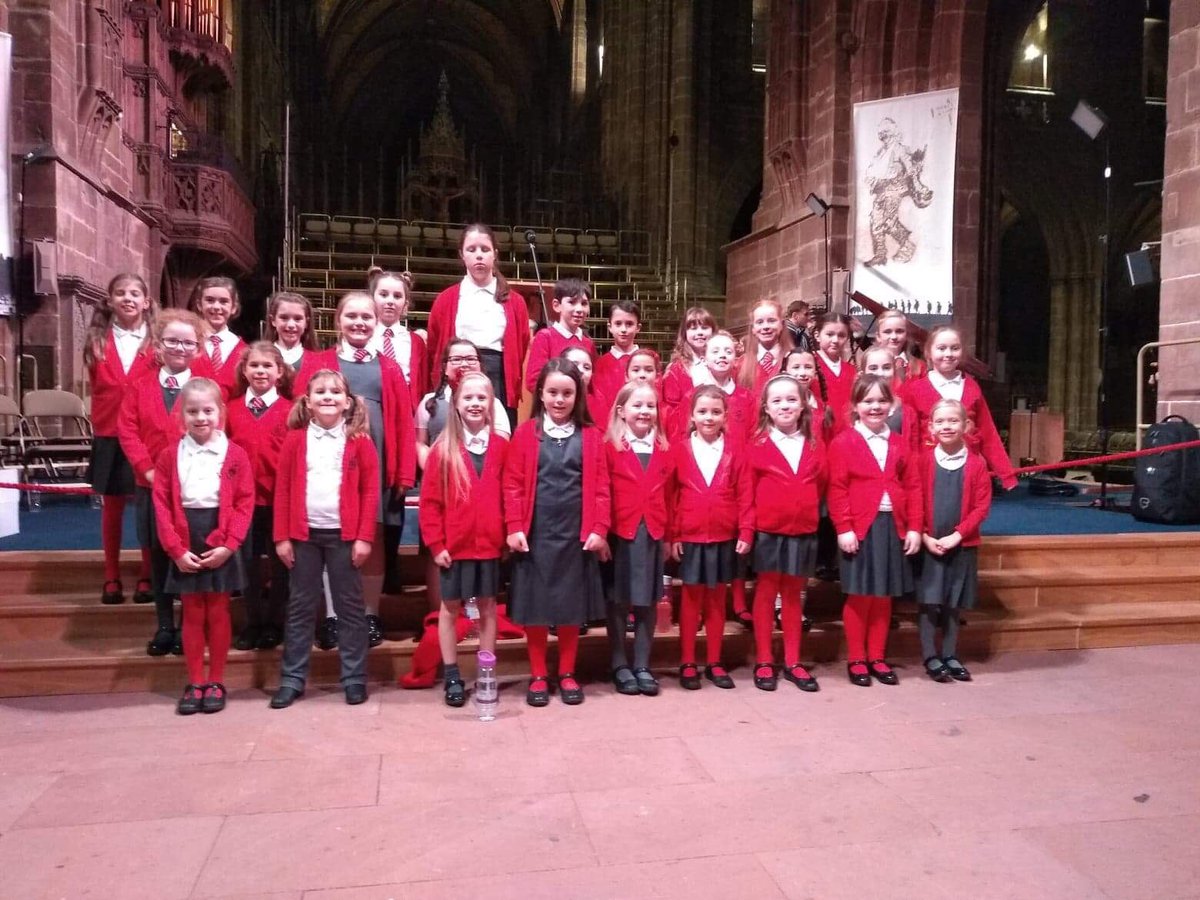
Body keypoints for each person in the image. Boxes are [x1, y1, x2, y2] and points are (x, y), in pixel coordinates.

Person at [503, 358, 609, 707]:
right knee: (535, 608)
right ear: (541, 394)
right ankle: (537, 674)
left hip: (576, 537)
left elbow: (602, 488)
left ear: (577, 395)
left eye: (567, 393)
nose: (560, 400)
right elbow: (513, 485)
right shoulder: (525, 433)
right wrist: (514, 526)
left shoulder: (592, 436)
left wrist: (599, 528)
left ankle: (566, 672)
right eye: (553, 393)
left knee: (569, 609)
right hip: (535, 535)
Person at [270, 369, 379, 708]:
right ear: (308, 401)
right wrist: (281, 537)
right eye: (320, 392)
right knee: (301, 607)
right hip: (303, 536)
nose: (328, 396)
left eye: (335, 392)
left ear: (348, 402)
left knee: (349, 608)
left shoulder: (359, 440)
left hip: (345, 537)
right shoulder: (295, 440)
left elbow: (370, 490)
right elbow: (283, 490)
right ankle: (292, 678)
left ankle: (354, 678)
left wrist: (364, 537)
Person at [153, 377, 253, 714]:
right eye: (192, 411)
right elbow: (163, 505)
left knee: (219, 610)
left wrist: (230, 545)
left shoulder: (235, 455)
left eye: (207, 410)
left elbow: (244, 502)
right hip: (185, 537)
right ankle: (195, 681)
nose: (200, 418)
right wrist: (175, 549)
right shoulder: (169, 456)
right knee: (193, 612)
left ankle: (217, 680)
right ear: (181, 415)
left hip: (221, 536)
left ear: (220, 413)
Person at [322, 292, 417, 645]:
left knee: (373, 539)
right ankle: (333, 617)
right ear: (338, 319)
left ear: (376, 321)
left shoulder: (388, 367)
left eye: (367, 316)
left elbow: (404, 423)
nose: (359, 323)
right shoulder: (323, 361)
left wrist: (404, 473)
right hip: (330, 466)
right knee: (333, 540)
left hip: (377, 467)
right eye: (352, 316)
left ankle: (370, 615)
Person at [118, 309, 207, 656]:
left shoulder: (203, 388)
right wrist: (147, 468)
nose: (180, 348)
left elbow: (214, 430)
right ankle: (165, 625)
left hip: (192, 487)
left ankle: (188, 626)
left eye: (188, 342)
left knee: (187, 556)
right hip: (151, 487)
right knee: (158, 556)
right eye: (172, 341)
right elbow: (127, 429)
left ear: (198, 348)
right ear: (157, 344)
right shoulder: (140, 386)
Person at [420, 372, 508, 707]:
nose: (474, 403)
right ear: (456, 404)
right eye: (468, 398)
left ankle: (486, 671)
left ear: (491, 406)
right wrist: (437, 544)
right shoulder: (443, 450)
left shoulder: (501, 447)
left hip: (488, 545)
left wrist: (505, 534)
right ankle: (452, 673)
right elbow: (429, 503)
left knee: (487, 607)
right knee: (450, 608)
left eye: (481, 398)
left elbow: (508, 494)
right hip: (453, 548)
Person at [828, 375, 922, 687]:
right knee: (860, 595)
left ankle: (877, 657)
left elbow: (913, 486)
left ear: (892, 405)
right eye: (868, 401)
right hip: (860, 527)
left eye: (882, 401)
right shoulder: (843, 442)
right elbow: (837, 488)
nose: (875, 406)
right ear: (855, 406)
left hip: (891, 525)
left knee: (883, 595)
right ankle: (856, 658)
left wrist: (914, 528)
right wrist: (844, 528)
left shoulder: (898, 442)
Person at [746, 375, 826, 692]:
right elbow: (748, 493)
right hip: (768, 531)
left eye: (791, 399)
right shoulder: (756, 445)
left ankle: (793, 661)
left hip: (802, 530)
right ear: (766, 407)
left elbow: (820, 485)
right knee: (766, 594)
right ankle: (765, 660)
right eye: (777, 400)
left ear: (804, 403)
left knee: (793, 596)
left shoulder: (816, 444)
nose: (785, 405)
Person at [670, 386, 752, 690]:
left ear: (725, 416)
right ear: (692, 415)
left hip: (723, 535)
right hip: (690, 535)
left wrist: (745, 530)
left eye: (716, 412)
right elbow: (672, 495)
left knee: (717, 601)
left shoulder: (735, 449)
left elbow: (745, 492)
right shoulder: (679, 449)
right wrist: (674, 533)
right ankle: (688, 661)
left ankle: (715, 661)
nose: (709, 417)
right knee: (691, 601)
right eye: (703, 411)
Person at [85, 273, 157, 606]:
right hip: (110, 431)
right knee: (112, 507)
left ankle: (147, 572)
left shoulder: (156, 340)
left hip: (147, 433)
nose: (128, 298)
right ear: (110, 300)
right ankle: (111, 574)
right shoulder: (97, 340)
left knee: (147, 507)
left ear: (146, 301)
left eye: (134, 293)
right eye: (120, 293)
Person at [603, 382, 672, 697]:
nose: (645, 411)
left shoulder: (665, 449)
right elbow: (602, 492)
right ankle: (619, 663)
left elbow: (671, 495)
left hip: (653, 532)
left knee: (647, 601)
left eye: (650, 406)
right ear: (621, 411)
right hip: (621, 533)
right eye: (637, 405)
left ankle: (643, 664)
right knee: (619, 601)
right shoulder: (610, 447)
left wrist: (670, 535)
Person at [916, 398, 992, 683]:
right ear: (931, 427)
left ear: (966, 425)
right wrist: (924, 535)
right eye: (940, 422)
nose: (946, 426)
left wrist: (957, 535)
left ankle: (949, 653)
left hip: (961, 544)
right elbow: (915, 500)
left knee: (952, 602)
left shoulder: (976, 464)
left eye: (953, 421)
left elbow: (981, 506)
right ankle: (929, 655)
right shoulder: (922, 462)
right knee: (929, 601)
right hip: (929, 543)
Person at [427, 224, 531, 427]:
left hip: (498, 374)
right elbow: (434, 345)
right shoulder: (446, 299)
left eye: (485, 249)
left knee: (498, 433)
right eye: (471, 249)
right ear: (462, 255)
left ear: (495, 254)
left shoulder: (515, 302)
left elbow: (522, 341)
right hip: (458, 370)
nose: (479, 255)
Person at [225, 341, 294, 651]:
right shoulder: (231, 409)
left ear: (280, 372)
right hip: (242, 504)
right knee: (248, 564)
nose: (260, 371)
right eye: (254, 365)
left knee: (281, 565)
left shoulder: (292, 412)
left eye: (268, 365)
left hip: (279, 502)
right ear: (244, 370)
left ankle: (275, 623)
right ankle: (253, 621)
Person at [901, 324, 1018, 489]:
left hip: (967, 469)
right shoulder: (913, 390)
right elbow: (907, 435)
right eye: (941, 348)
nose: (948, 354)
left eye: (954, 348)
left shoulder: (971, 387)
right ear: (928, 352)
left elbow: (987, 431)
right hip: (927, 472)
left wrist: (1006, 473)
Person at [523, 278, 597, 393]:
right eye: (572, 302)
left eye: (584, 303)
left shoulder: (588, 343)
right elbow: (534, 381)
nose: (579, 309)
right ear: (557, 305)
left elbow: (592, 385)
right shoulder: (545, 337)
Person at [368, 267, 428, 400]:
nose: (390, 301)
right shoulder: (363, 338)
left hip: (405, 406)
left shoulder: (416, 342)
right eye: (383, 295)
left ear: (405, 304)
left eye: (397, 296)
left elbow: (423, 384)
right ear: (372, 299)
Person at [190, 276, 246, 399]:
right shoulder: (187, 344)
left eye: (223, 301)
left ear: (233, 307)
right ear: (199, 305)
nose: (216, 307)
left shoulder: (244, 351)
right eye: (210, 300)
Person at [661, 307, 717, 427]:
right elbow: (671, 412)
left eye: (704, 328)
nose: (700, 332)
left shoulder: (722, 364)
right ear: (685, 334)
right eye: (693, 328)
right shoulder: (676, 370)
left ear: (713, 331)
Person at [266, 291, 324, 390]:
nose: (291, 325)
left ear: (307, 322)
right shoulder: (259, 358)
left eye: (298, 319)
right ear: (273, 320)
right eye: (284, 318)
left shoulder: (319, 362)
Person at [812, 312, 857, 441]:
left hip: (846, 437)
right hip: (819, 434)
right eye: (830, 334)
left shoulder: (851, 370)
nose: (835, 340)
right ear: (817, 335)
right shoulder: (808, 365)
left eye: (841, 335)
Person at [737, 299, 792, 395]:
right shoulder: (740, 365)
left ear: (782, 324)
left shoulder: (793, 360)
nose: (765, 326)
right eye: (759, 322)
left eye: (771, 320)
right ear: (753, 328)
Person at [592, 299, 642, 404]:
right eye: (618, 324)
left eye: (629, 324)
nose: (623, 329)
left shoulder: (647, 361)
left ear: (638, 327)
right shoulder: (601, 363)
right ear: (610, 327)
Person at [873, 309, 925, 384]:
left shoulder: (920, 366)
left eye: (899, 331)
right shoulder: (870, 365)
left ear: (906, 334)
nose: (894, 337)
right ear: (878, 336)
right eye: (887, 332)